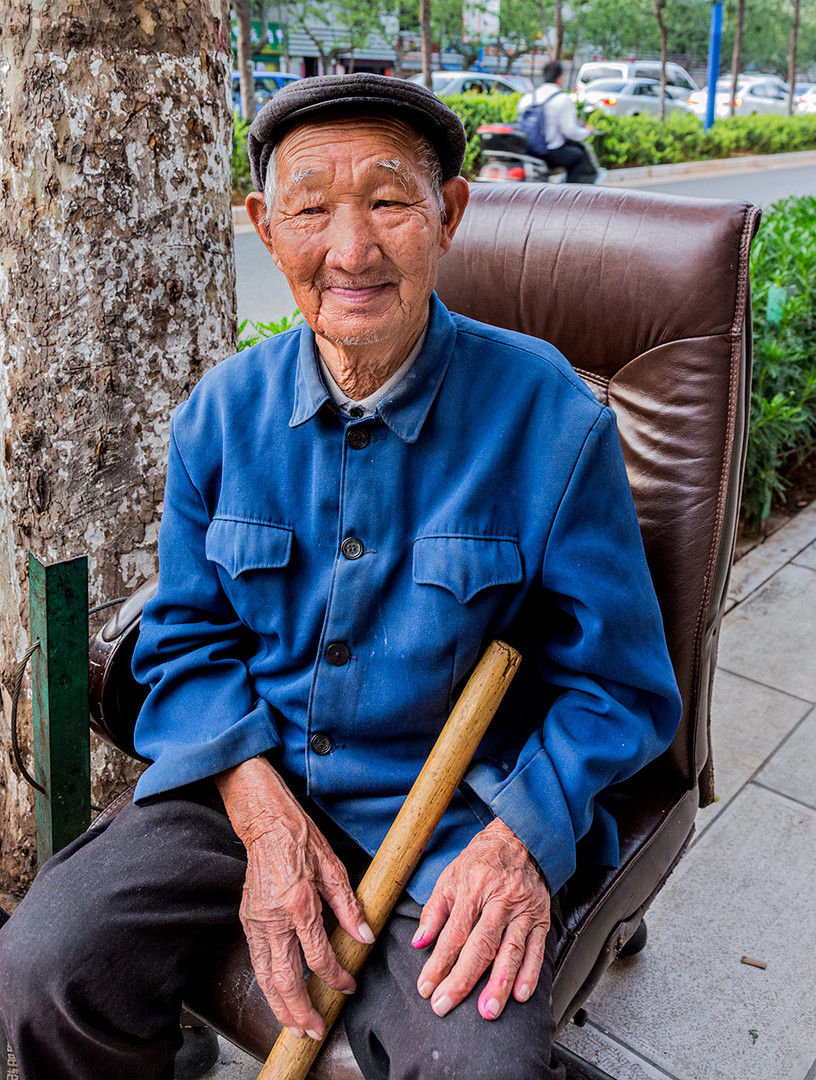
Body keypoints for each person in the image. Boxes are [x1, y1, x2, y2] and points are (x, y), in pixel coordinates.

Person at [0, 74, 681, 1080]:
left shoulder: (550, 419)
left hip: (452, 812)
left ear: (448, 214)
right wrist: (255, 802)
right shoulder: (222, 415)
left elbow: (619, 689)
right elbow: (184, 640)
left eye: (389, 200)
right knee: (41, 971)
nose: (352, 250)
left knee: (477, 1068)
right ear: (265, 228)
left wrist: (523, 838)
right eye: (310, 208)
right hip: (246, 779)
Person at [520, 61, 598, 183]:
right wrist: (587, 131)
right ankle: (570, 196)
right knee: (580, 157)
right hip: (549, 152)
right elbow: (571, 132)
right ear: (560, 79)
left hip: (527, 150)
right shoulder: (562, 99)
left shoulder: (528, 98)